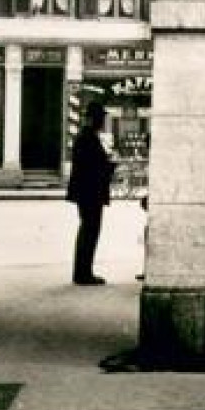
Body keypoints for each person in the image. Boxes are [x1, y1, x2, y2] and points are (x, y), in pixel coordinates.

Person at [65, 100, 116, 286]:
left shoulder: (86, 136)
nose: (103, 121)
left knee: (87, 231)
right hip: (90, 194)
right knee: (89, 231)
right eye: (101, 117)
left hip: (87, 193)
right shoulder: (88, 138)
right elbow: (92, 168)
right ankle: (83, 273)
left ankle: (83, 271)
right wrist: (110, 165)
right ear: (94, 119)